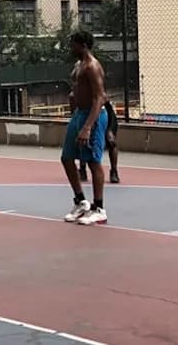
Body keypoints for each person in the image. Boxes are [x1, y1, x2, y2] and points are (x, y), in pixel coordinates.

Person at [61, 30, 110, 226]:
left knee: (93, 162)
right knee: (66, 158)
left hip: (94, 115)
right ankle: (81, 201)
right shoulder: (78, 65)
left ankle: (99, 208)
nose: (70, 48)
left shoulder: (92, 66)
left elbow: (99, 97)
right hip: (79, 114)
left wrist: (88, 127)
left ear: (82, 45)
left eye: (73, 44)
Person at [80, 100, 121, 184]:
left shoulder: (100, 94)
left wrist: (109, 129)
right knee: (83, 140)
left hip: (106, 117)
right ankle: (82, 169)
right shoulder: (81, 96)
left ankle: (114, 172)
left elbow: (109, 110)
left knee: (111, 143)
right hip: (88, 116)